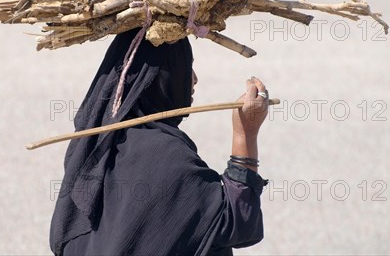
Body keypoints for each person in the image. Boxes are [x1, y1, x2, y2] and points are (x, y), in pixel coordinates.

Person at [50, 28, 269, 255]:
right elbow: (239, 223)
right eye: (185, 66)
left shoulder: (92, 145)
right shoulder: (166, 156)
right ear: (159, 76)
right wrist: (245, 133)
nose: (194, 78)